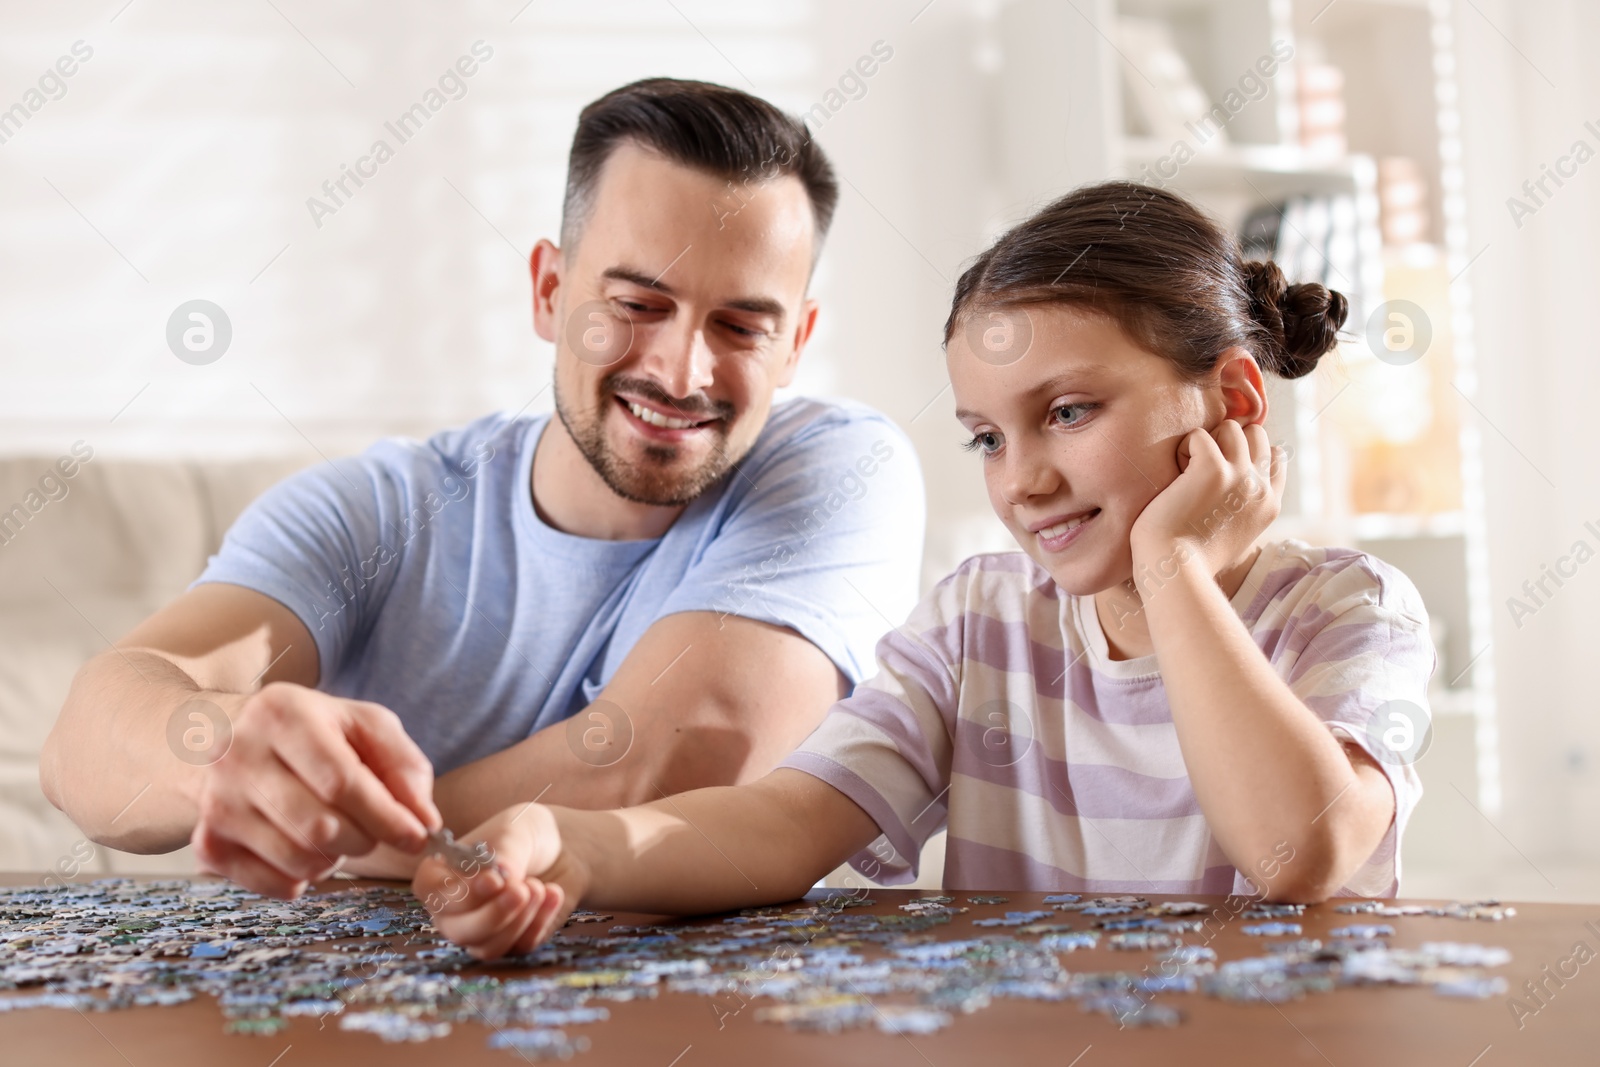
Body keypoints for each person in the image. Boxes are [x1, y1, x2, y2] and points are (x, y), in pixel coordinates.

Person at [414, 180, 1437, 960]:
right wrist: (576, 842)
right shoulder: (980, 622)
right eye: (985, 438)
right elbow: (787, 818)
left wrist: (1172, 567)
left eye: (1068, 411)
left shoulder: (1349, 609)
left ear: (1235, 399)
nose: (1024, 480)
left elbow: (1293, 853)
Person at [39, 78, 925, 898]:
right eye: (637, 305)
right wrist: (222, 753)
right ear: (549, 289)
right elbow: (86, 748)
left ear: (797, 342)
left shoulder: (844, 469)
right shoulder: (370, 508)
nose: (682, 370)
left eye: (739, 325)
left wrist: (337, 837)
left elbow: (656, 773)